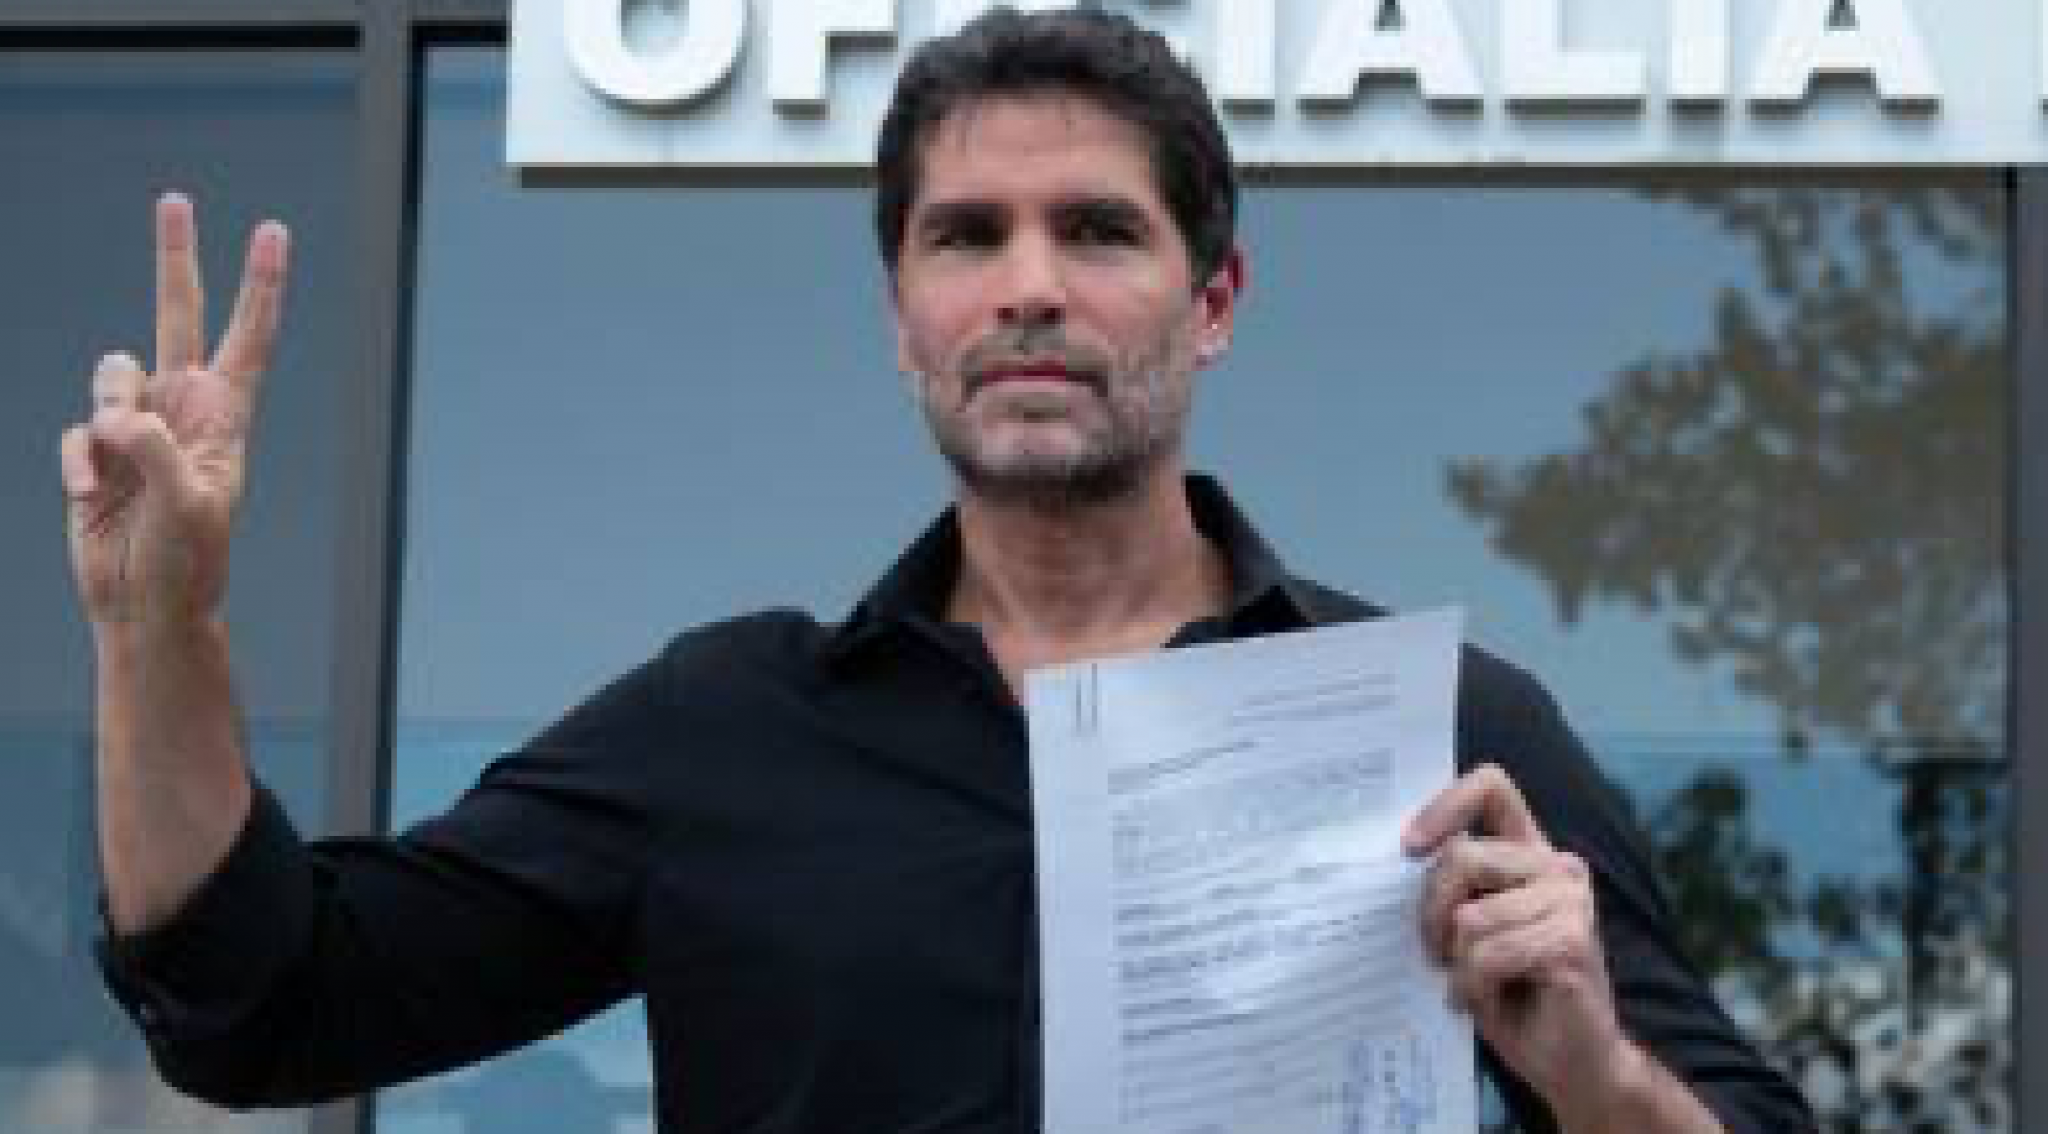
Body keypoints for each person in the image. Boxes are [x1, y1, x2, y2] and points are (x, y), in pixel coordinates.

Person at [66, 9, 1813, 1134]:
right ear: (904, 317)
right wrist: (163, 629)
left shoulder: (1437, 732)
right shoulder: (722, 731)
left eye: (1099, 229)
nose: (1028, 285)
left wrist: (1596, 1072)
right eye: (967, 236)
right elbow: (267, 1001)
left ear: (1215, 301)